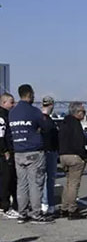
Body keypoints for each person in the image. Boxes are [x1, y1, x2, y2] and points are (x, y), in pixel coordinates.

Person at [8, 84, 53, 224]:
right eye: (33, 95)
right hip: (34, 151)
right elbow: (47, 127)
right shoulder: (34, 112)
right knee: (36, 184)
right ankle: (36, 214)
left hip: (18, 152)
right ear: (29, 95)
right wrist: (45, 115)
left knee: (21, 184)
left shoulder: (12, 112)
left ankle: (22, 213)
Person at [58, 102, 87, 220]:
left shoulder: (64, 123)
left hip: (63, 155)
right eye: (83, 112)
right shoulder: (75, 124)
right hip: (74, 156)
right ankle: (73, 209)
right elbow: (78, 142)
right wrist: (84, 156)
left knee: (68, 183)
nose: (84, 114)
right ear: (77, 112)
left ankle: (64, 208)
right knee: (74, 184)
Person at [0, 93, 19, 219]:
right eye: (11, 102)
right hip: (4, 154)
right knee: (6, 180)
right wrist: (5, 151)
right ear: (3, 103)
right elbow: (0, 136)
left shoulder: (7, 115)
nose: (13, 105)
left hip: (7, 152)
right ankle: (4, 207)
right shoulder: (2, 117)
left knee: (9, 180)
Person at [40, 96, 59, 215]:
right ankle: (48, 204)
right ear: (51, 105)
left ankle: (45, 203)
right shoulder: (50, 121)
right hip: (49, 151)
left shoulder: (38, 119)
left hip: (41, 151)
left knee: (41, 179)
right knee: (49, 179)